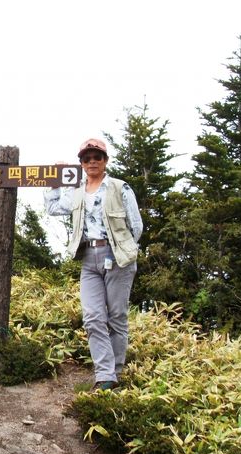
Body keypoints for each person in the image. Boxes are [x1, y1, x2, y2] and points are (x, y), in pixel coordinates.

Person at [44, 138, 143, 391]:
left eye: (96, 157)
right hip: (88, 258)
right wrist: (54, 181)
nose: (92, 162)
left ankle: (113, 373)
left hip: (117, 257)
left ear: (105, 160)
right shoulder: (76, 190)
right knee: (93, 317)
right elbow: (53, 208)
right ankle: (105, 375)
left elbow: (136, 226)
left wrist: (120, 248)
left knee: (117, 317)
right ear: (81, 163)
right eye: (86, 158)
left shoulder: (120, 188)